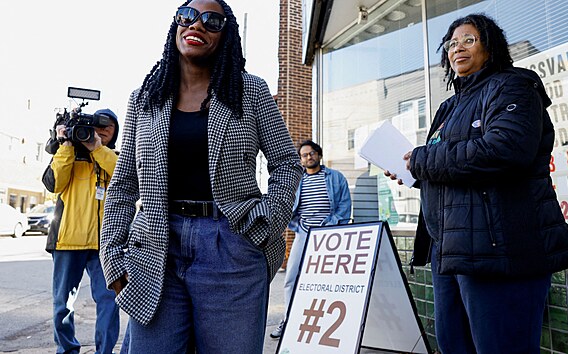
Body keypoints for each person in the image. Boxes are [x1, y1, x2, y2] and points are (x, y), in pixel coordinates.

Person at [98, 0, 302, 352]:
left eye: (212, 20)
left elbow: (286, 162)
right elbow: (124, 185)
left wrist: (268, 219)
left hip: (231, 246)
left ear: (226, 35)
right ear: (176, 25)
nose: (197, 25)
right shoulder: (144, 99)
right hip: (156, 247)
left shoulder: (249, 91)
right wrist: (112, 256)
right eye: (187, 16)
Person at [387, 13, 568, 354]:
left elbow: (505, 150)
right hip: (450, 252)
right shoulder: (449, 106)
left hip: (500, 250)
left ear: (489, 47)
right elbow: (455, 168)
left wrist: (423, 161)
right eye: (451, 43)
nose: (458, 48)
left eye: (469, 40)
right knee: (455, 346)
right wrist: (415, 174)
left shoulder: (514, 84)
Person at [42, 108, 120, 354]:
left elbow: (126, 179)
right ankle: (66, 351)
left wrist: (97, 149)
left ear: (115, 133)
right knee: (61, 306)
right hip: (67, 241)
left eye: (109, 127)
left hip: (104, 245)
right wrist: (65, 144)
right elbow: (54, 184)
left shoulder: (113, 157)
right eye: (99, 126)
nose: (103, 131)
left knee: (109, 302)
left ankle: (104, 352)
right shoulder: (67, 154)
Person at [270, 140, 352, 339]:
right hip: (304, 234)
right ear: (301, 160)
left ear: (319, 154)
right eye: (305, 155)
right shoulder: (299, 181)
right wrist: (298, 227)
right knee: (292, 278)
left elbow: (344, 206)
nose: (309, 157)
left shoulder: (335, 177)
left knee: (327, 280)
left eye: (312, 153)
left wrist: (330, 225)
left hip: (328, 235)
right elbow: (289, 208)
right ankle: (288, 320)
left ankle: (325, 323)